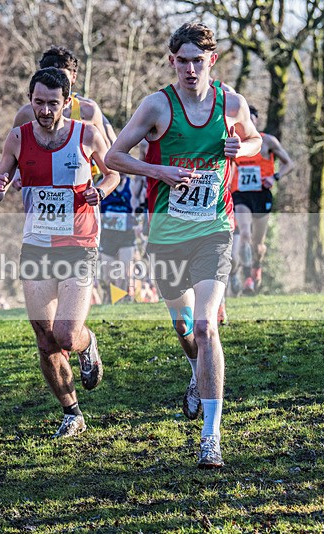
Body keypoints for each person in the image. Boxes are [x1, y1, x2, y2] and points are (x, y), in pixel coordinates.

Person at [105, 23, 261, 468]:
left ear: (212, 60)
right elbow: (113, 157)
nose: (191, 69)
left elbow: (254, 139)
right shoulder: (157, 106)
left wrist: (241, 149)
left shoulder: (231, 102)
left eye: (199, 60)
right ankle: (196, 372)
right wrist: (160, 173)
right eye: (183, 61)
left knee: (208, 326)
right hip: (167, 235)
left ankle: (211, 436)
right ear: (172, 61)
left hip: (215, 229)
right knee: (186, 328)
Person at [0, 67, 120, 438]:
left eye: (52, 103)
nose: (45, 111)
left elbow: (113, 173)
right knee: (45, 338)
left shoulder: (87, 134)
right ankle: (71, 412)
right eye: (39, 102)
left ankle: (86, 343)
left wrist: (101, 190)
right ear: (30, 100)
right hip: (37, 245)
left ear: (67, 102)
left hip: (79, 244)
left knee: (65, 334)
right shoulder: (18, 137)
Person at [230, 105, 295, 294]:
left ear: (256, 121)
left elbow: (289, 163)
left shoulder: (267, 141)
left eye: (251, 120)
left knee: (258, 245)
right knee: (244, 234)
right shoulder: (235, 143)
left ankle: (255, 269)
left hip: (261, 195)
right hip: (241, 195)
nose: (247, 124)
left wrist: (274, 177)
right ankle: (246, 277)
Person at [13, 46, 116, 146]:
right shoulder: (26, 114)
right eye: (50, 77)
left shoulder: (88, 110)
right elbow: (13, 149)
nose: (57, 81)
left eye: (63, 76)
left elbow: (109, 148)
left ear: (73, 77)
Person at [98, 173, 139, 300]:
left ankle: (122, 299)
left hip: (126, 233)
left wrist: (137, 221)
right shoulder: (102, 182)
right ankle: (109, 296)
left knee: (125, 271)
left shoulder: (131, 184)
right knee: (107, 274)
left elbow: (137, 204)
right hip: (107, 234)